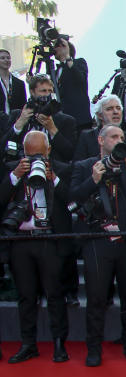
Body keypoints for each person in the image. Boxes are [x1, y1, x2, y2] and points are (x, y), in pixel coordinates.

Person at [69, 125, 126, 366]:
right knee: (96, 296)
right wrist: (93, 180)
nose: (119, 140)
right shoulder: (84, 166)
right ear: (101, 140)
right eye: (114, 136)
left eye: (122, 137)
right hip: (97, 241)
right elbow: (72, 197)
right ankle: (94, 347)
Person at [1, 130, 71, 363]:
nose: (35, 160)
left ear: (49, 150)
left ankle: (59, 344)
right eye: (31, 155)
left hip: (49, 240)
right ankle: (28, 344)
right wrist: (14, 176)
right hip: (21, 241)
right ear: (23, 152)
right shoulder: (13, 168)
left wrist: (54, 179)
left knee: (55, 295)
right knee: (26, 296)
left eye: (39, 154)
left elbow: (72, 199)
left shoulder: (60, 169)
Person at [52, 38, 93, 130]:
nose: (55, 49)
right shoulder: (55, 72)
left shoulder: (79, 62)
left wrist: (67, 57)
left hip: (79, 119)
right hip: (63, 120)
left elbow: (81, 80)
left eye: (58, 46)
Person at [0, 48, 27, 115]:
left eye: (8, 58)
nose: (6, 60)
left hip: (15, 121)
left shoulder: (19, 83)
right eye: (2, 58)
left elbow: (23, 105)